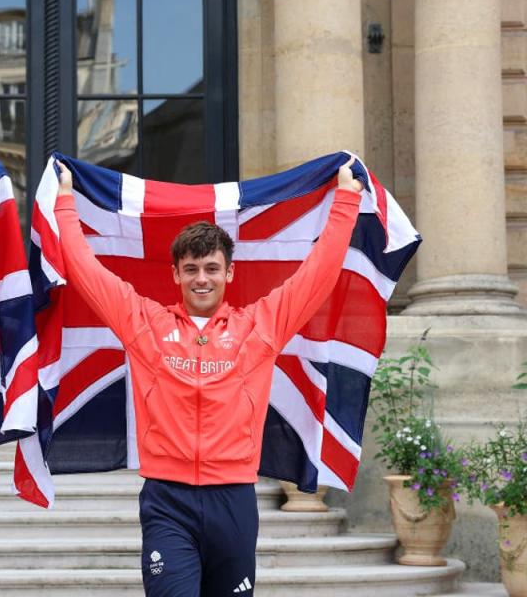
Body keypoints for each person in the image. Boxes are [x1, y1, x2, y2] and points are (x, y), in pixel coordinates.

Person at [53, 160, 364, 597]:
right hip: (167, 499)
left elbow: (318, 273)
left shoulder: (260, 326)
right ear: (176, 274)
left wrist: (346, 199)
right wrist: (65, 202)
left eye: (212, 268)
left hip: (233, 499)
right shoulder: (144, 323)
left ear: (229, 273)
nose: (202, 278)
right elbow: (87, 271)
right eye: (193, 269)